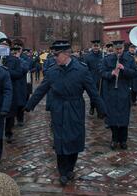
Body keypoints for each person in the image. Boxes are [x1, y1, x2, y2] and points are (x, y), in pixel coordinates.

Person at [25, 40, 106, 186]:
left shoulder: (81, 70)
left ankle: (70, 168)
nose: (54, 57)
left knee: (74, 138)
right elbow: (41, 89)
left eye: (57, 54)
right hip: (58, 108)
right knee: (60, 139)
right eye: (54, 54)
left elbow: (93, 92)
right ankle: (62, 171)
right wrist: (29, 105)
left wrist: (102, 109)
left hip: (75, 107)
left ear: (67, 54)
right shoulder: (52, 71)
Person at [100, 40, 137, 150]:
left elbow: (135, 73)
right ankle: (114, 138)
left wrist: (124, 69)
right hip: (111, 92)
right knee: (112, 116)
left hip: (124, 91)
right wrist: (111, 73)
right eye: (117, 49)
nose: (118, 51)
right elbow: (101, 72)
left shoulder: (129, 59)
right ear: (113, 49)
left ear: (123, 49)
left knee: (124, 116)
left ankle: (123, 140)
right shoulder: (107, 59)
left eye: (120, 49)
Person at [0, 37, 24, 143]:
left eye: (5, 45)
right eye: (1, 44)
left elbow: (18, 74)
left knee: (9, 114)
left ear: (9, 47)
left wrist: (6, 71)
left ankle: (8, 133)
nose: (3, 46)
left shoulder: (14, 60)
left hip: (10, 90)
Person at [84, 40, 103, 115]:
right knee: (93, 94)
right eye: (94, 46)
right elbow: (86, 68)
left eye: (97, 46)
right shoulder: (88, 56)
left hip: (101, 78)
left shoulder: (103, 55)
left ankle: (100, 110)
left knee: (101, 94)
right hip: (92, 78)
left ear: (99, 47)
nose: (96, 47)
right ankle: (92, 107)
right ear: (92, 47)